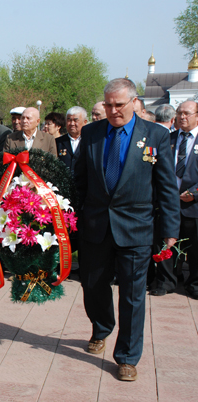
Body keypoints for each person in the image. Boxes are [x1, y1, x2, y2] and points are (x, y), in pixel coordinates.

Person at [74, 78, 180, 381]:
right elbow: (79, 180)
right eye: (107, 104)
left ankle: (127, 357)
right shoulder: (91, 132)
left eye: (118, 104)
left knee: (133, 295)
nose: (112, 110)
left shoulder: (156, 135)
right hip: (96, 226)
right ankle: (102, 328)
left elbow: (166, 187)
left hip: (136, 228)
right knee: (93, 285)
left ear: (134, 102)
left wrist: (169, 228)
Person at [151, 101, 198, 298]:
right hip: (168, 203)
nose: (182, 117)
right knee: (165, 242)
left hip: (193, 204)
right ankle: (166, 281)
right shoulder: (167, 139)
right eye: (179, 113)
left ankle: (194, 283)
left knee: (195, 246)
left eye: (187, 113)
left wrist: (195, 192)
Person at [56, 107, 87, 176]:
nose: (72, 123)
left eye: (76, 120)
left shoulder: (89, 142)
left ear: (84, 122)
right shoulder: (58, 142)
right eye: (69, 120)